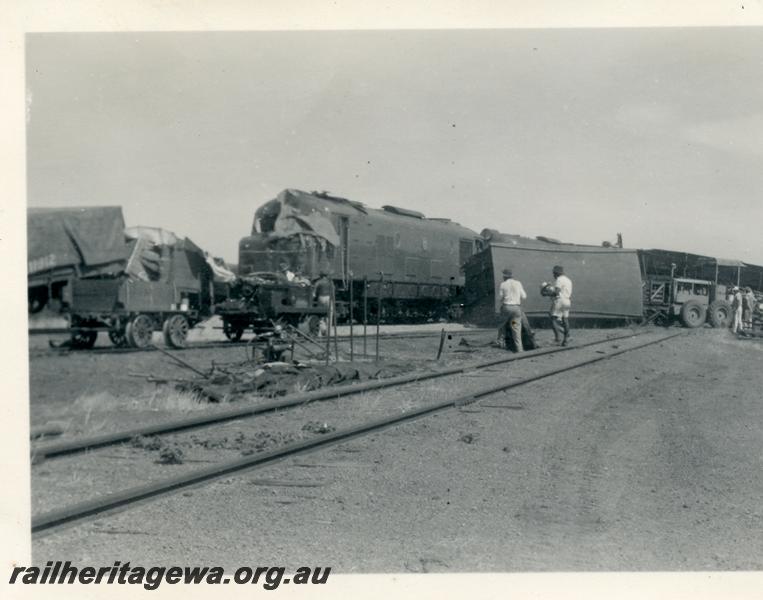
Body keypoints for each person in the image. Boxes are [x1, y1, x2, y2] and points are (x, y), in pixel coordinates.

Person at [496, 268, 529, 352]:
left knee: (502, 324)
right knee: (515, 327)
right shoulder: (518, 283)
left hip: (506, 308)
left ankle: (500, 343)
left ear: (504, 276)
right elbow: (524, 296)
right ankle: (519, 348)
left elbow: (500, 298)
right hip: (516, 309)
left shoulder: (503, 284)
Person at [547, 265, 572, 346]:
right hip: (567, 301)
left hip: (560, 300)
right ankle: (566, 339)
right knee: (565, 319)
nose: (553, 275)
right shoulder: (568, 280)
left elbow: (557, 292)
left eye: (554, 273)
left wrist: (547, 293)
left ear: (556, 273)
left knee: (552, 319)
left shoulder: (559, 280)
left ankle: (557, 339)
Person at [313, 271, 333, 336]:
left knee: (320, 315)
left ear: (320, 276)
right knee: (329, 315)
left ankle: (320, 332)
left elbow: (314, 293)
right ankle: (328, 332)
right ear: (326, 276)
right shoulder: (330, 282)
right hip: (328, 298)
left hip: (321, 297)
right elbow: (333, 290)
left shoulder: (318, 282)